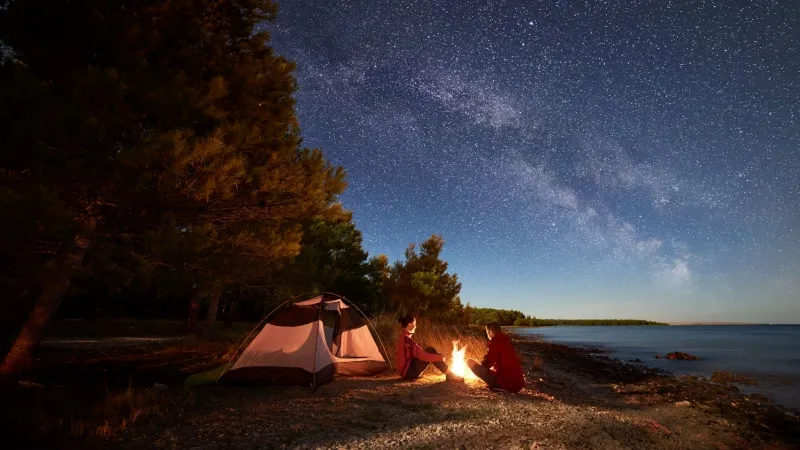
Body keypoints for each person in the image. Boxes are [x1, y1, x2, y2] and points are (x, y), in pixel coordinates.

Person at [395, 313, 463, 382]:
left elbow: (418, 353)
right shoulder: (407, 340)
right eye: (415, 324)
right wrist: (440, 357)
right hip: (408, 373)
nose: (416, 326)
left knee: (430, 350)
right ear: (410, 324)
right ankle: (450, 375)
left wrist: (437, 355)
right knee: (430, 351)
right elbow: (423, 356)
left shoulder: (404, 337)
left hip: (406, 371)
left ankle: (449, 374)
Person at [467, 322, 526, 393]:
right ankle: (500, 385)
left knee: (469, 362)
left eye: (487, 332)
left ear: (490, 332)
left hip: (505, 384)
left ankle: (498, 386)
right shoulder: (506, 341)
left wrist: (480, 363)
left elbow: (487, 363)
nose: (487, 334)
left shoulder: (495, 343)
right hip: (517, 386)